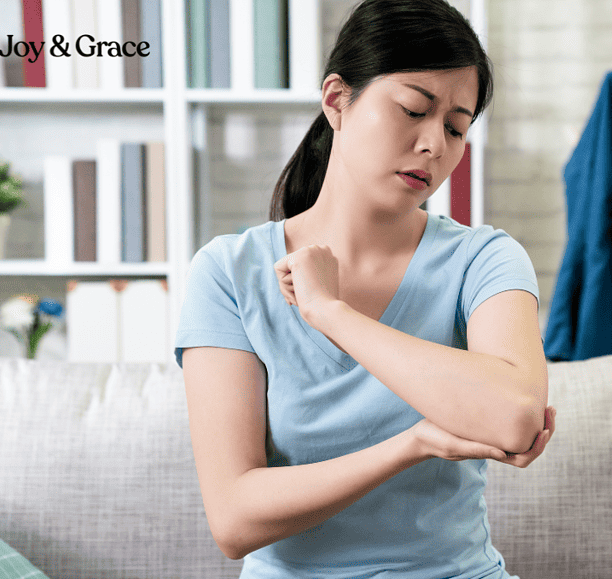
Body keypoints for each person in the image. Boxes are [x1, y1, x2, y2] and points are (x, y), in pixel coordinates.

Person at [175, 0, 557, 577]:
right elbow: (234, 519)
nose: (435, 144)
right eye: (411, 110)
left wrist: (332, 313)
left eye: (456, 128)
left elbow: (516, 419)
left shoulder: (484, 259)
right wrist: (413, 444)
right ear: (337, 100)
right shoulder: (229, 272)